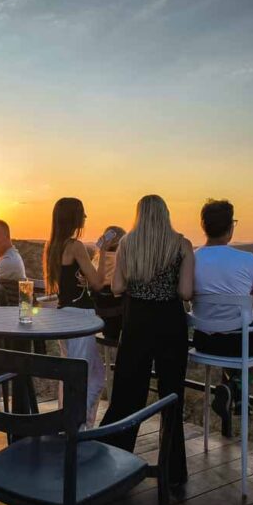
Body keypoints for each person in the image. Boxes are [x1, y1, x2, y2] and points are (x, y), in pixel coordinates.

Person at [99, 194, 194, 487]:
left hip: (137, 322)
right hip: (169, 323)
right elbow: (186, 292)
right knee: (171, 396)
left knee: (127, 395)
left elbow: (116, 288)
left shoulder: (128, 244)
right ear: (166, 214)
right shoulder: (182, 244)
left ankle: (112, 463)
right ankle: (173, 471)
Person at [192, 199, 253, 423]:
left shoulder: (191, 259)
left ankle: (233, 389)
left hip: (203, 342)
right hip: (240, 343)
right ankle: (236, 384)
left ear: (204, 227)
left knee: (234, 343)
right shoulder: (247, 260)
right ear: (230, 227)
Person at [44, 197, 109, 428]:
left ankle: (69, 424)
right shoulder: (75, 246)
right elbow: (99, 283)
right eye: (82, 213)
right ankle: (78, 428)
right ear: (74, 217)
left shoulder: (53, 246)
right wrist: (102, 253)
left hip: (63, 316)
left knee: (72, 374)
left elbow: (70, 281)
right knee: (91, 377)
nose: (85, 217)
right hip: (80, 318)